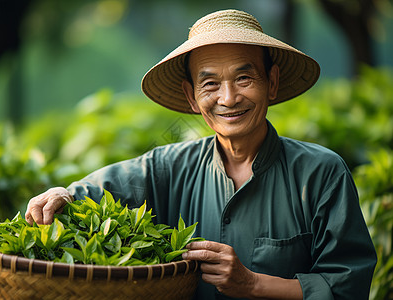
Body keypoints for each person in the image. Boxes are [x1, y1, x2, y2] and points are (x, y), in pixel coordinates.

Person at [25, 9, 377, 300]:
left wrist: (251, 283)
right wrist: (62, 194)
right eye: (210, 83)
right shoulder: (168, 168)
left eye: (244, 78)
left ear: (271, 82)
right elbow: (93, 193)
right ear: (192, 97)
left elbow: (348, 285)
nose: (228, 98)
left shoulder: (320, 173)